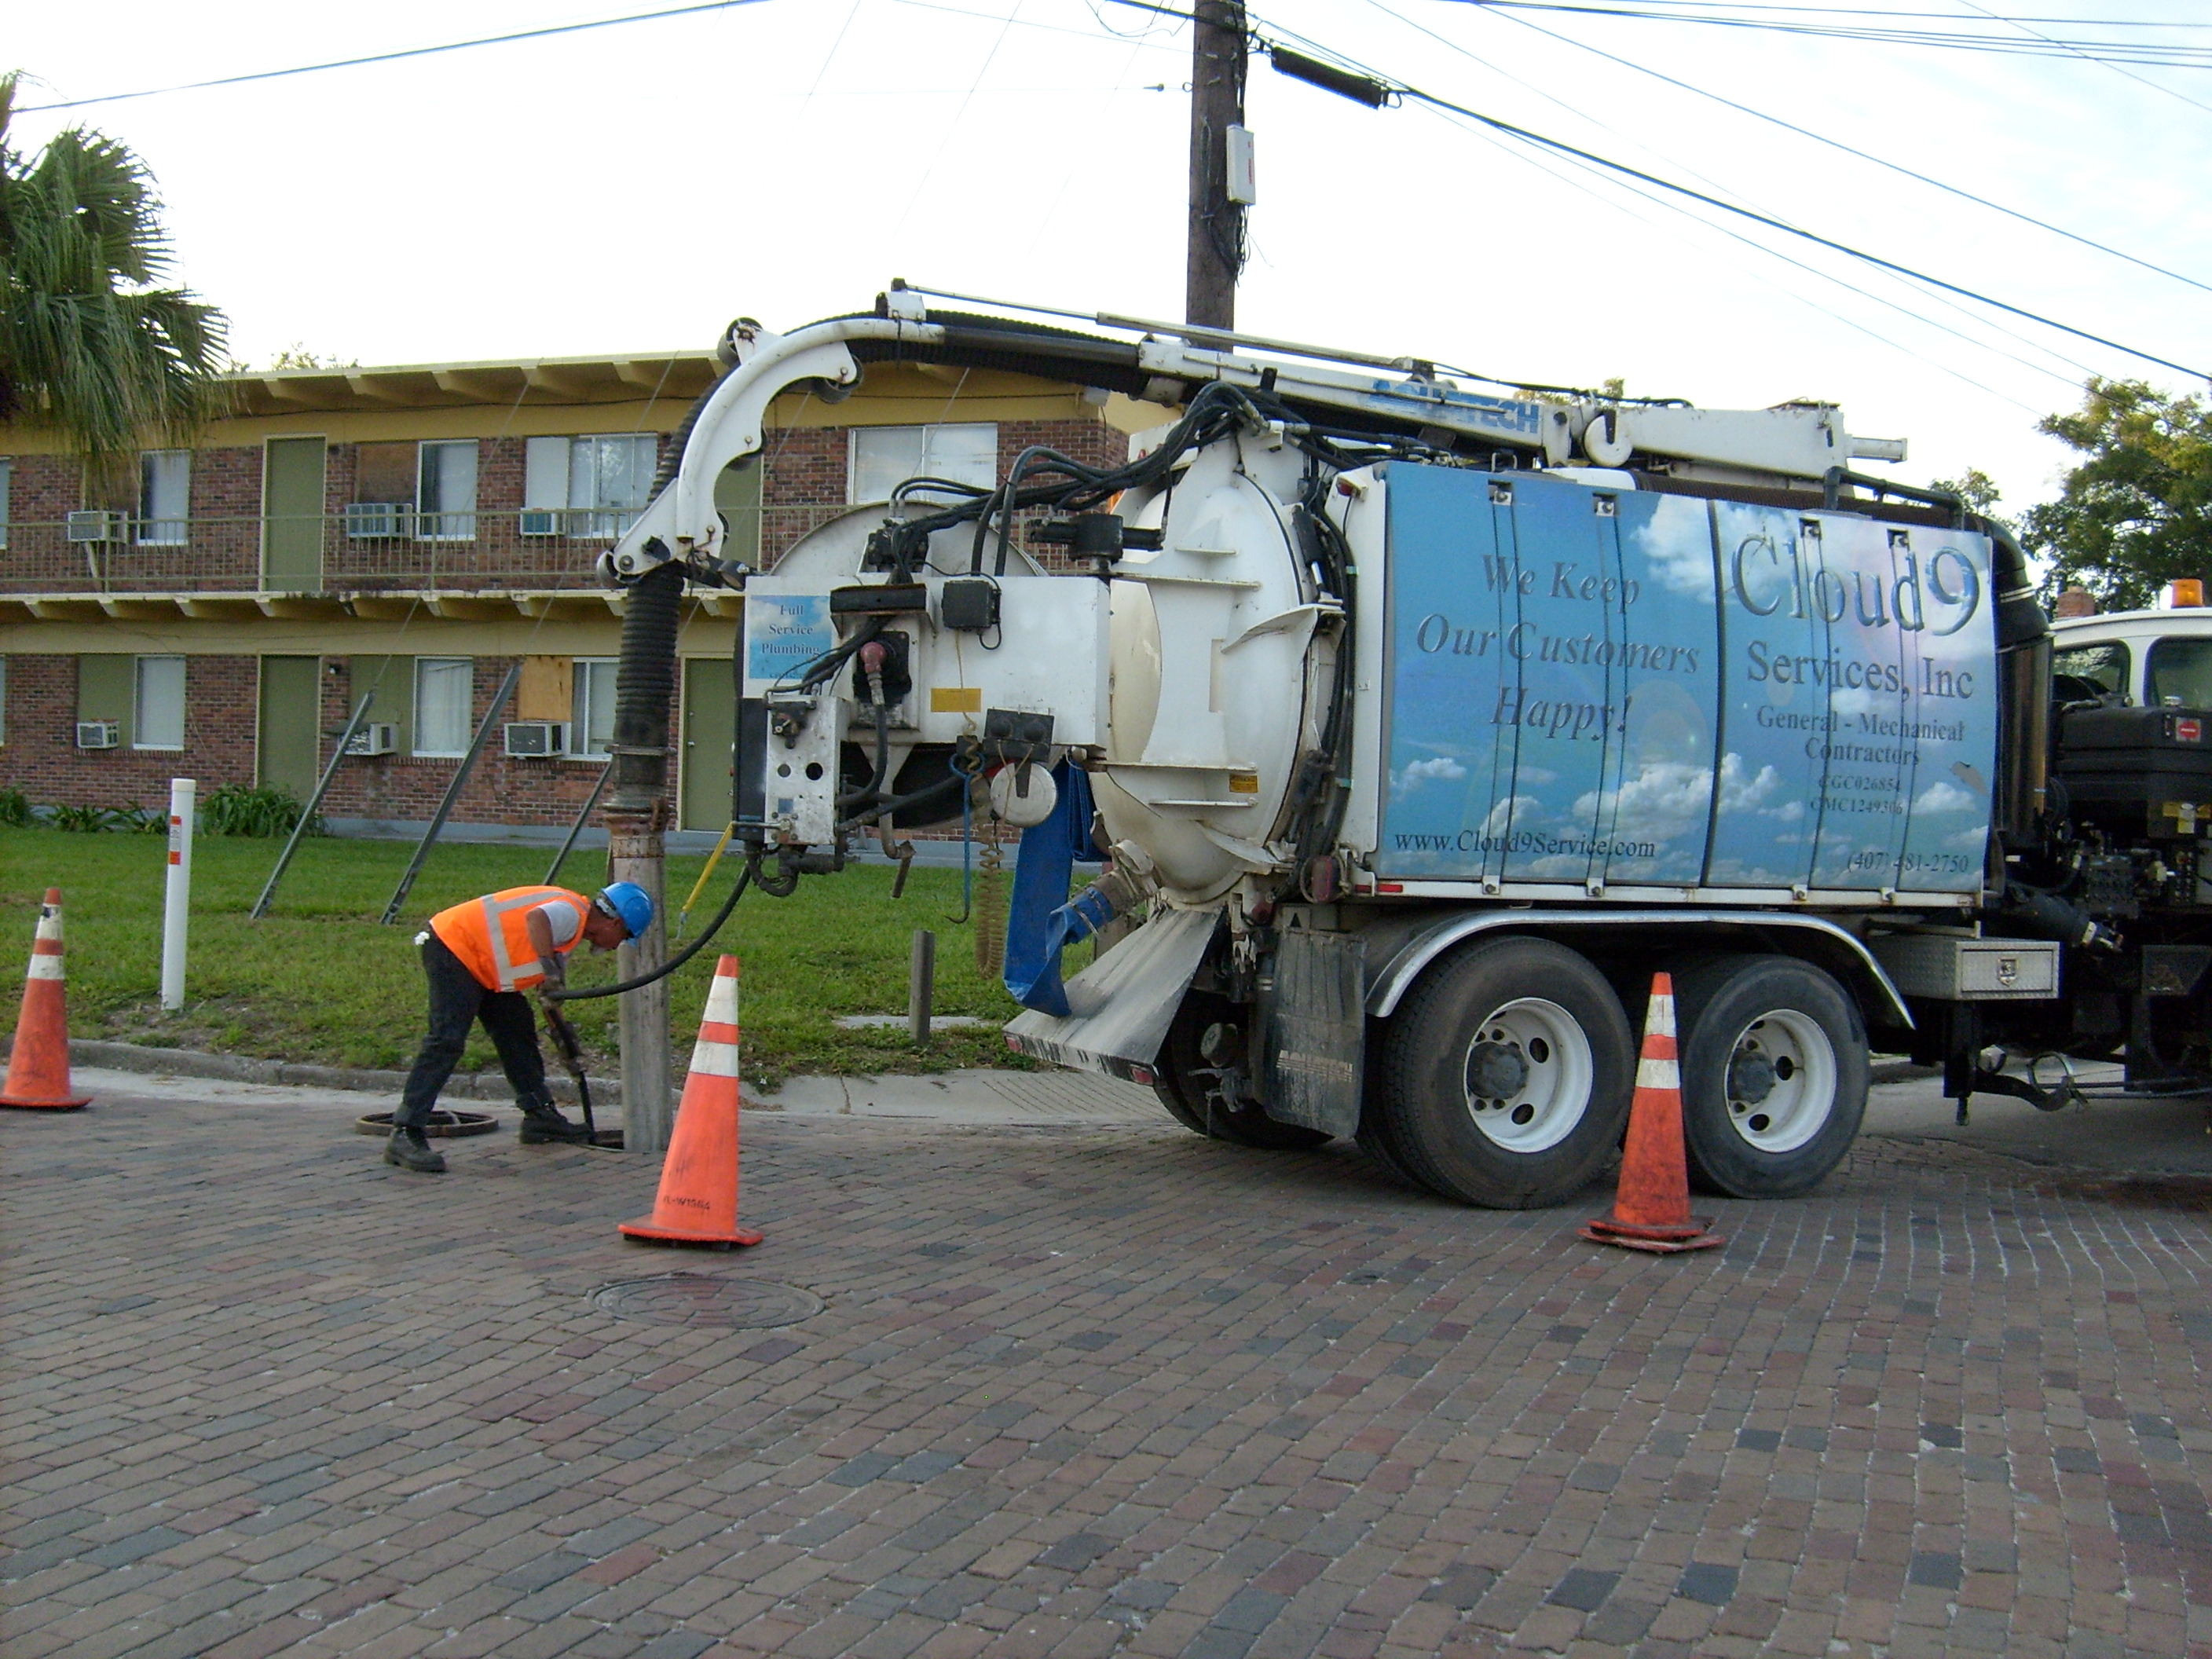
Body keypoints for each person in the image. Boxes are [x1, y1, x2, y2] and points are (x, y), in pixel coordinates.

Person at [384, 881, 655, 1174]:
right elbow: (537, 919)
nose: (616, 946)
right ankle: (405, 1131)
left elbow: (548, 994)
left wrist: (564, 1039)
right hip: (455, 948)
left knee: (516, 1030)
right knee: (447, 1040)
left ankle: (540, 1115)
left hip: (483, 964)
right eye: (624, 937)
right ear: (615, 922)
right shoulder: (572, 913)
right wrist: (550, 971)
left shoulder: (569, 930)